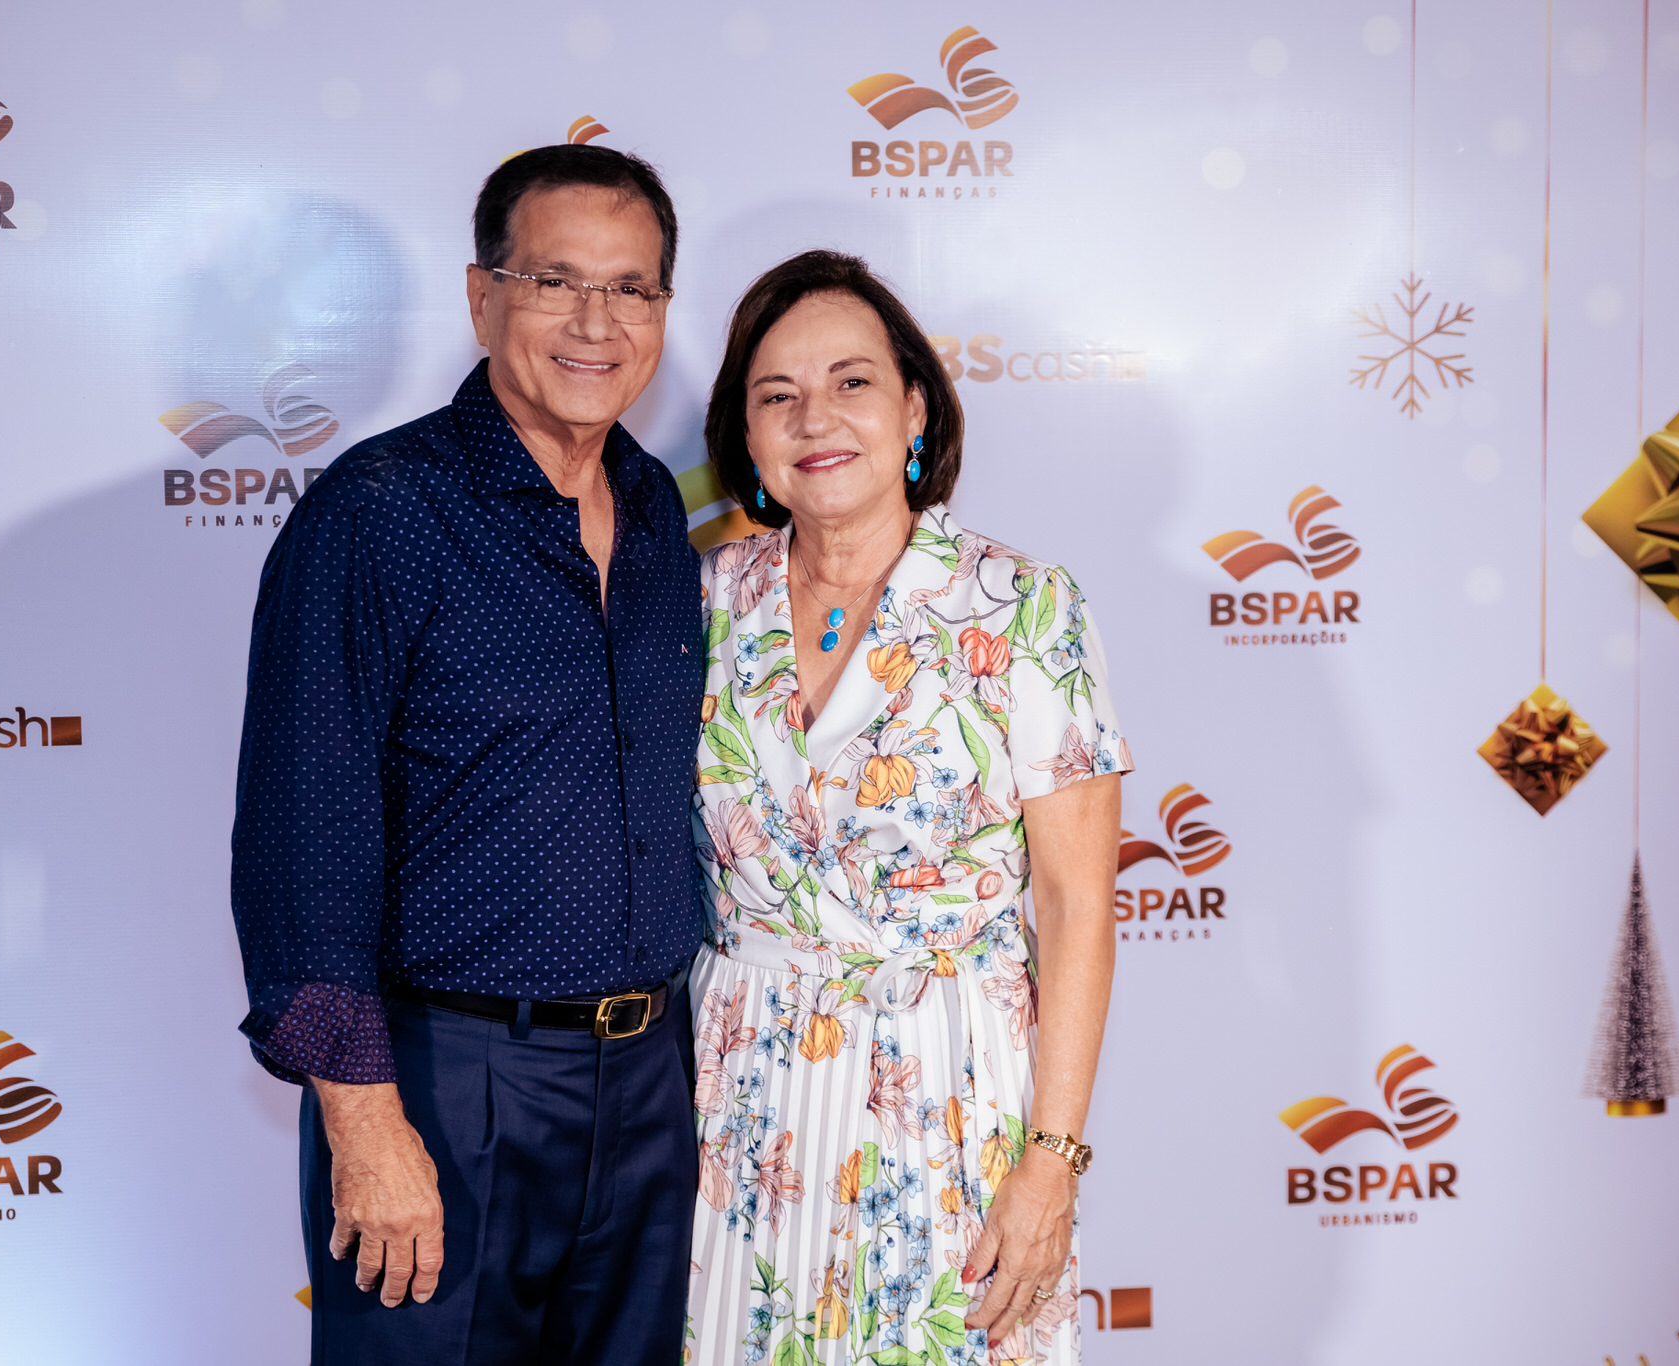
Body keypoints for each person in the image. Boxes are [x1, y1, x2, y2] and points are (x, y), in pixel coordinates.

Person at [229, 144, 703, 1366]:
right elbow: (302, 838)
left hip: (653, 1085)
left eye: (630, 288)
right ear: (483, 297)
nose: (595, 323)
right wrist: (365, 1124)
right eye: (555, 282)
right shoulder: (378, 511)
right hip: (444, 1084)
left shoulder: (656, 509)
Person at [684, 251, 1128, 1365]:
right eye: (776, 394)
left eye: (852, 382)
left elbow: (1078, 907)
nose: (815, 418)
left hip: (950, 1095)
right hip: (739, 1105)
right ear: (745, 434)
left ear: (915, 406)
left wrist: (1052, 1163)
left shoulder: (1022, 607)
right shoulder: (700, 602)